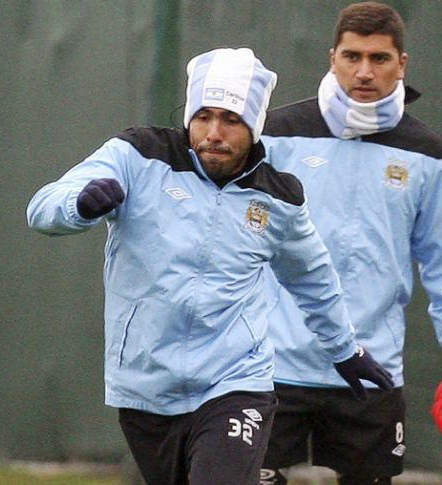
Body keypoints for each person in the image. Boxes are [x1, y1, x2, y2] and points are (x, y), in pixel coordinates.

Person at [26, 47, 393, 485]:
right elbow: (41, 208)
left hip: (236, 383)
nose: (214, 133)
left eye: (231, 119)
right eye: (204, 116)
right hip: (145, 390)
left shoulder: (280, 197)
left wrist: (343, 350)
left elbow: (312, 278)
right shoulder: (136, 156)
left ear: (255, 125)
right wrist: (79, 205)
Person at [258, 3, 442, 485]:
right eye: (352, 56)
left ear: (401, 63)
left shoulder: (426, 151)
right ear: (332, 58)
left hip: (371, 371)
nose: (364, 71)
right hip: (271, 364)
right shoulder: (275, 134)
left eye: (379, 58)